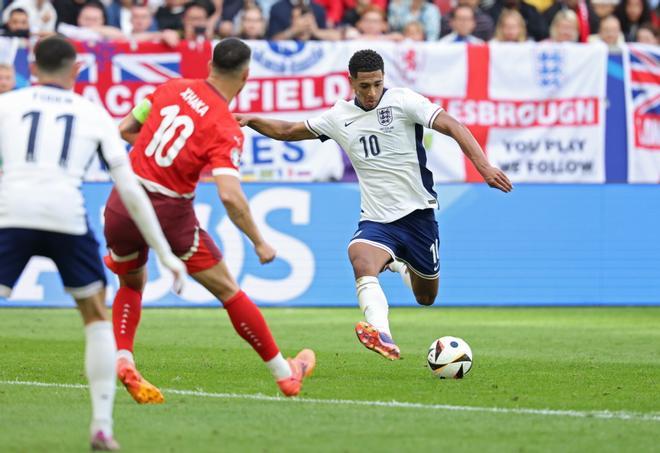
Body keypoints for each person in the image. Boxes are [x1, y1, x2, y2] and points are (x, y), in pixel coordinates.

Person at [236, 49, 512, 360]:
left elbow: (452, 125)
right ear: (351, 81)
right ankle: (382, 333)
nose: (371, 93)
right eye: (364, 86)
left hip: (418, 216)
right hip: (377, 220)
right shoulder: (339, 117)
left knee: (425, 296)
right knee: (359, 257)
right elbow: (287, 131)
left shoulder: (404, 101)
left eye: (377, 85)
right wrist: (253, 120)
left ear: (384, 80)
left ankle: (396, 262)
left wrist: (484, 167)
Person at [104, 38, 315, 403]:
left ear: (210, 65)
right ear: (246, 76)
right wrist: (259, 242)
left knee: (130, 283)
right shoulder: (225, 127)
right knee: (229, 291)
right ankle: (285, 374)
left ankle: (124, 357)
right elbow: (230, 195)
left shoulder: (170, 88)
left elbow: (125, 129)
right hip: (170, 213)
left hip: (122, 204)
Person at [0, 36, 186, 451]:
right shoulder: (91, 113)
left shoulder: (7, 105)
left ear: (33, 67)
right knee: (96, 316)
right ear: (75, 70)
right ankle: (101, 426)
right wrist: (166, 252)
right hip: (65, 216)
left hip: (11, 213)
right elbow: (131, 190)